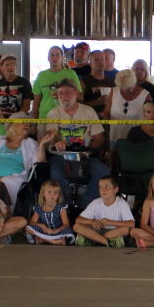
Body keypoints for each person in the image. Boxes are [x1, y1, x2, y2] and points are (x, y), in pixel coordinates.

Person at [41, 78, 109, 210]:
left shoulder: (88, 111)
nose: (63, 96)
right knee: (56, 174)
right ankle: (63, 209)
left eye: (68, 92)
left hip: (85, 154)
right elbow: (52, 134)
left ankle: (86, 207)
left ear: (76, 93)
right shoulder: (53, 113)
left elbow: (99, 138)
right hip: (62, 155)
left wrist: (87, 152)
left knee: (103, 172)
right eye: (60, 93)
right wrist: (57, 142)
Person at [0, 113, 38, 202]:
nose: (27, 124)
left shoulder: (30, 143)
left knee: (6, 182)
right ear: (12, 124)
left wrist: (41, 148)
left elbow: (38, 163)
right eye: (23, 122)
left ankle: (4, 212)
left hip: (14, 178)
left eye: (28, 123)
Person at [72, 175, 134, 247]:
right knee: (76, 226)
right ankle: (107, 242)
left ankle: (93, 240)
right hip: (98, 231)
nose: (103, 190)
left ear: (116, 189)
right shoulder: (96, 203)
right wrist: (92, 222)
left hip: (113, 233)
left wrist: (109, 222)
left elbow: (131, 224)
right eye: (100, 187)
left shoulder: (122, 203)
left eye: (107, 186)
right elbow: (78, 220)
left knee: (125, 229)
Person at [32, 46, 82, 119]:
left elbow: (80, 96)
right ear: (48, 58)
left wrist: (63, 95)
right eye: (52, 55)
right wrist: (34, 122)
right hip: (44, 116)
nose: (54, 57)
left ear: (62, 57)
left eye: (57, 55)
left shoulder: (71, 74)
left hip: (66, 115)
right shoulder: (41, 75)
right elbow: (36, 101)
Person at [106, 69, 152, 148]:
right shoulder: (114, 92)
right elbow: (106, 112)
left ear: (135, 82)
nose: (127, 90)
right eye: (124, 88)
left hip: (136, 141)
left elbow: (151, 117)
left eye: (129, 87)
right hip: (114, 139)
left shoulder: (145, 95)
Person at [25, 179, 75, 245]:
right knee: (28, 228)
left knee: (68, 230)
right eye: (49, 192)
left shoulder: (61, 207)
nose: (52, 195)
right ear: (43, 194)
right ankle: (54, 241)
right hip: (44, 231)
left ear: (59, 195)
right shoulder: (39, 208)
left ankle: (43, 239)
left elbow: (66, 224)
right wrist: (41, 225)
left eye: (55, 192)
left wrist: (55, 231)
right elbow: (32, 222)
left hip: (58, 231)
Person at [80, 50, 114, 117]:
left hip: (109, 121)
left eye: (102, 59)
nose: (100, 62)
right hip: (90, 120)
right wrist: (96, 102)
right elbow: (78, 104)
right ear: (90, 63)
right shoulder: (84, 81)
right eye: (96, 60)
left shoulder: (112, 81)